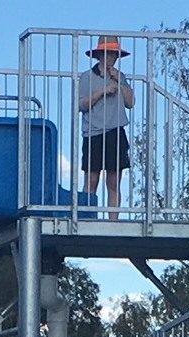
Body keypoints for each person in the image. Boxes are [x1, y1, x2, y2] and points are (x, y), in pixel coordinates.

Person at [77, 35, 135, 220]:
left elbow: (130, 102)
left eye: (115, 54)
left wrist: (120, 82)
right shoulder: (86, 77)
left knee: (113, 181)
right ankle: (87, 217)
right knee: (91, 179)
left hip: (115, 132)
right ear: (100, 55)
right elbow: (81, 105)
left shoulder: (121, 77)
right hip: (93, 132)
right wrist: (102, 92)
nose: (112, 58)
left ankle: (113, 221)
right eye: (109, 54)